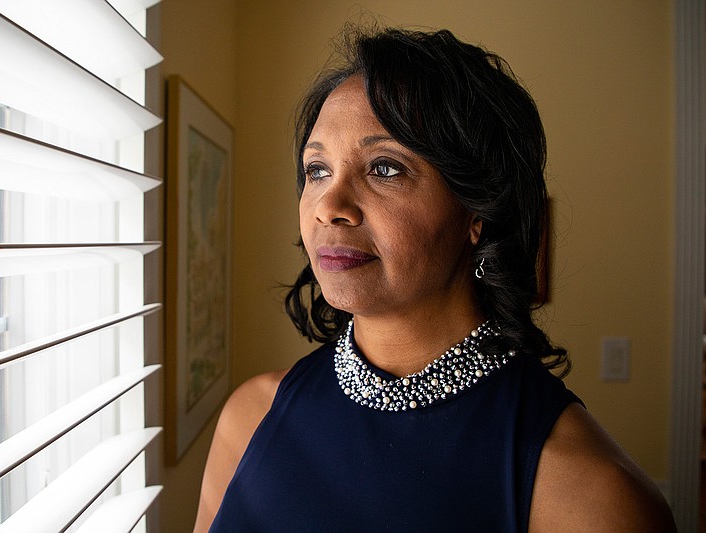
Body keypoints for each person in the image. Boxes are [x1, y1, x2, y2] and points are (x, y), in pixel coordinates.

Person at [194, 27, 676, 532]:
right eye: (317, 170)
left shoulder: (591, 496)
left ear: (477, 211)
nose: (329, 207)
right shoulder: (249, 418)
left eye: (384, 168)